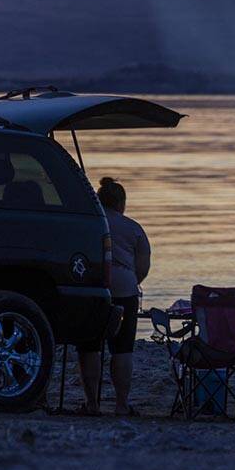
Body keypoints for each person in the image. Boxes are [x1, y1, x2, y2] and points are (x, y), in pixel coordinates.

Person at [78, 177, 150, 416]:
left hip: (94, 289)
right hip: (125, 290)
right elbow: (142, 267)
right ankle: (121, 404)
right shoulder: (134, 229)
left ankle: (92, 404)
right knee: (123, 349)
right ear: (121, 203)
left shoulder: (88, 223)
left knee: (90, 347)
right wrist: (131, 282)